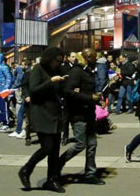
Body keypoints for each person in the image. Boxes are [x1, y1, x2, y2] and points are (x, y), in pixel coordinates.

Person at [18, 48, 67, 192]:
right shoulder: (37, 69)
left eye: (60, 61)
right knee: (47, 147)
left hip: (55, 113)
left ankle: (52, 179)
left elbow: (59, 91)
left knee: (55, 150)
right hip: (41, 113)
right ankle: (26, 170)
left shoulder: (58, 71)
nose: (57, 63)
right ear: (49, 58)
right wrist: (51, 81)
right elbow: (34, 90)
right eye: (55, 60)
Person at [58, 48, 106, 185]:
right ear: (87, 57)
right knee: (80, 144)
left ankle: (90, 173)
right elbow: (68, 91)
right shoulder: (76, 72)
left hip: (88, 112)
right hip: (78, 114)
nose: (96, 60)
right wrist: (90, 97)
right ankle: (58, 164)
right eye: (94, 57)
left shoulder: (87, 71)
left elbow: (87, 91)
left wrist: (97, 99)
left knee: (92, 144)